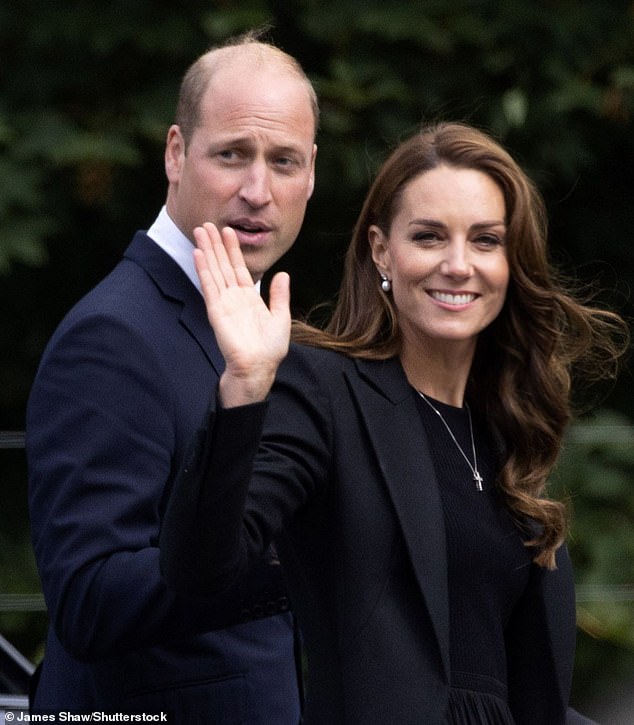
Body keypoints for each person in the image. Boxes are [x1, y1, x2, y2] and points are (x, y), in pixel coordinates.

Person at [159, 122, 627, 724]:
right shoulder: (324, 391)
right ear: (382, 250)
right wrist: (245, 386)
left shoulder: (511, 426)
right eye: (429, 237)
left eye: (485, 240)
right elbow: (201, 569)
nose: (458, 265)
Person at [26, 30, 317, 722]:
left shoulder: (260, 321)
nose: (258, 190)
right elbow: (90, 599)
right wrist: (293, 558)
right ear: (177, 154)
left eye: (284, 161)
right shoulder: (113, 335)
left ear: (312, 172)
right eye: (232, 155)